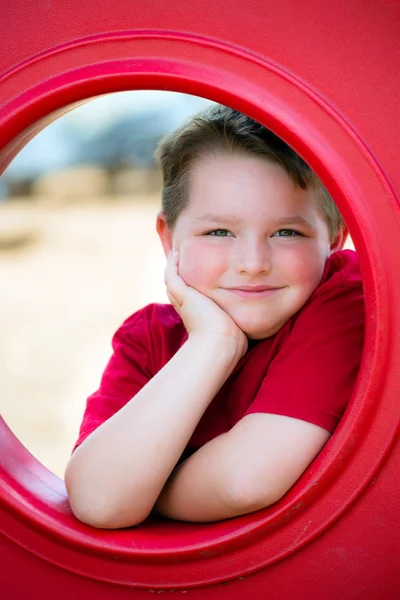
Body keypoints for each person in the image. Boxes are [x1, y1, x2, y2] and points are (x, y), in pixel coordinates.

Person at [64, 104, 364, 529]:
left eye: (287, 232)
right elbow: (100, 500)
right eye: (219, 232)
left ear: (334, 241)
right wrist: (213, 343)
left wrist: (149, 490)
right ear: (169, 239)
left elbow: (247, 480)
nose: (253, 263)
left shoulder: (343, 300)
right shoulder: (147, 339)